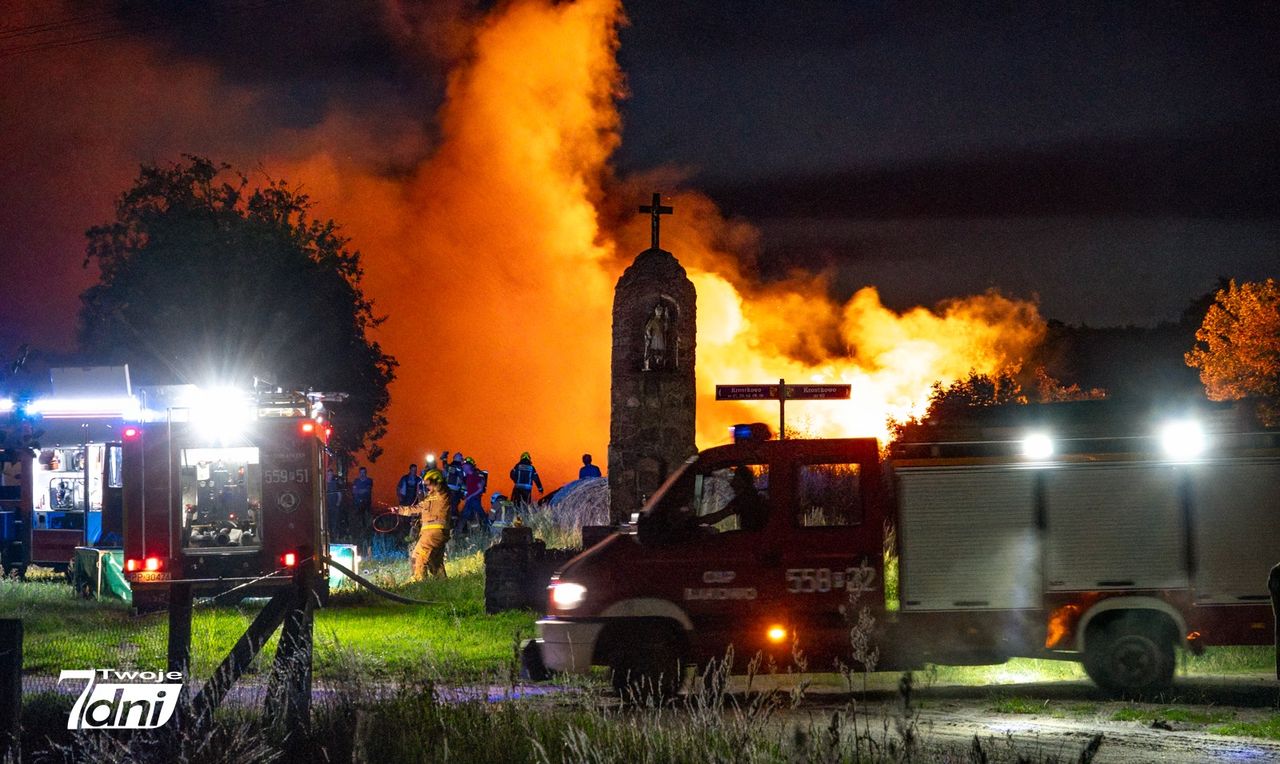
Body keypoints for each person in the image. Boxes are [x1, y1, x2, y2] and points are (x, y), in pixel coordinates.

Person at [393, 469, 450, 580]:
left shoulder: (442, 494)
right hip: (433, 533)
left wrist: (431, 475)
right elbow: (416, 509)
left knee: (418, 556)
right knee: (435, 562)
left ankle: (419, 583)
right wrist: (398, 510)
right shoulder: (428, 499)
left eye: (428, 484)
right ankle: (443, 584)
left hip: (434, 533)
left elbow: (440, 486)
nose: (426, 487)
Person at [455, 461, 490, 535]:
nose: (463, 468)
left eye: (464, 467)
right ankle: (458, 532)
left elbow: (480, 489)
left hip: (474, 499)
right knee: (466, 515)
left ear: (469, 467)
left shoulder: (475, 476)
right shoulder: (467, 477)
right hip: (471, 499)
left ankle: (488, 529)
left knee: (480, 515)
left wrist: (470, 496)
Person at [351, 466, 374, 552]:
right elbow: (354, 491)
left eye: (364, 472)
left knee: (366, 521)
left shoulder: (369, 481)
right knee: (358, 521)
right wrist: (360, 491)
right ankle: (359, 537)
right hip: (357, 504)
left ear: (366, 473)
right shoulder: (356, 481)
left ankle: (367, 538)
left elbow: (367, 490)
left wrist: (358, 490)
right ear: (359, 473)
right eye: (361, 472)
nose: (362, 474)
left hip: (366, 503)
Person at [325, 468, 343, 539]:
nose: (329, 476)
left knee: (334, 522)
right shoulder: (323, 483)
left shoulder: (335, 484)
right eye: (328, 474)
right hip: (326, 507)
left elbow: (339, 494)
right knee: (327, 523)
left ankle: (334, 537)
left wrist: (338, 503)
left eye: (331, 474)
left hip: (334, 506)